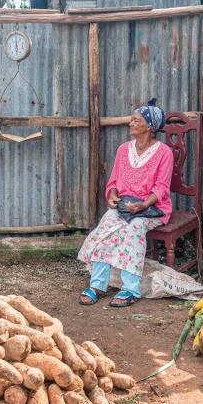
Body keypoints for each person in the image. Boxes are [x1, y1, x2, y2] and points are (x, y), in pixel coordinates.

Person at [77, 99, 173, 307]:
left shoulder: (164, 153)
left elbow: (161, 188)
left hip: (153, 207)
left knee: (134, 228)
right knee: (107, 225)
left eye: (135, 120)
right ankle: (97, 285)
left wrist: (143, 205)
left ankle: (130, 289)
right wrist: (112, 196)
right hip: (125, 204)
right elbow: (113, 182)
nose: (130, 123)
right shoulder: (123, 149)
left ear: (149, 126)